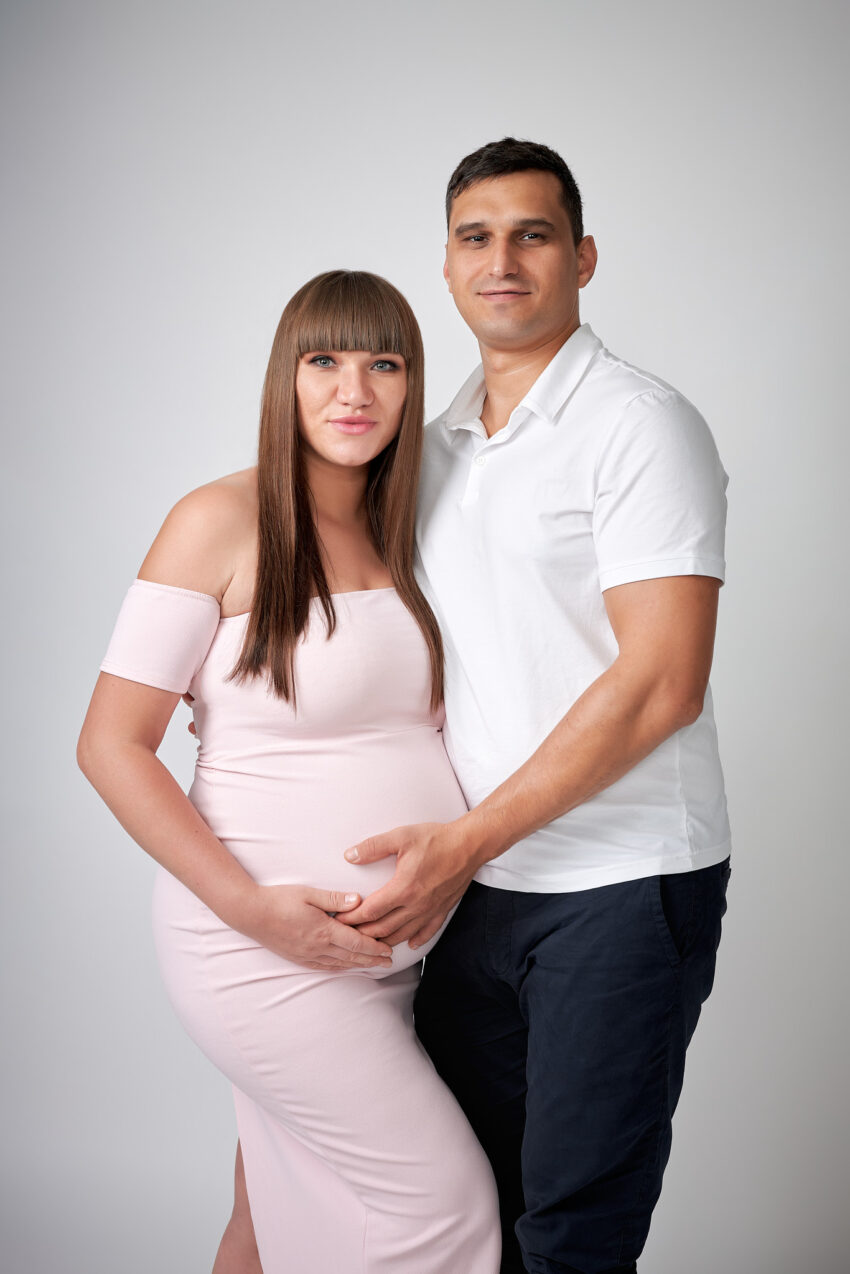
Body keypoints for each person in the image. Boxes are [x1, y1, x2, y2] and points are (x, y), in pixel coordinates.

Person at [339, 139, 732, 1274]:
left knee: (571, 1235)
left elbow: (664, 681)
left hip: (620, 887)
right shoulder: (435, 443)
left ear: (583, 257)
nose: (501, 260)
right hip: (476, 895)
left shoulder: (639, 423)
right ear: (447, 264)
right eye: (476, 237)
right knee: (468, 1219)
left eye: (533, 235)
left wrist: (463, 842)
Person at [77, 270, 501, 1274]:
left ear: (412, 383)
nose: (354, 390)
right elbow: (110, 742)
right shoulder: (215, 520)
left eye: (383, 364)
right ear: (286, 378)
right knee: (441, 1205)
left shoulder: (407, 530)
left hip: (385, 964)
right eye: (324, 361)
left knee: (269, 1217)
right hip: (261, 953)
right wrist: (252, 910)